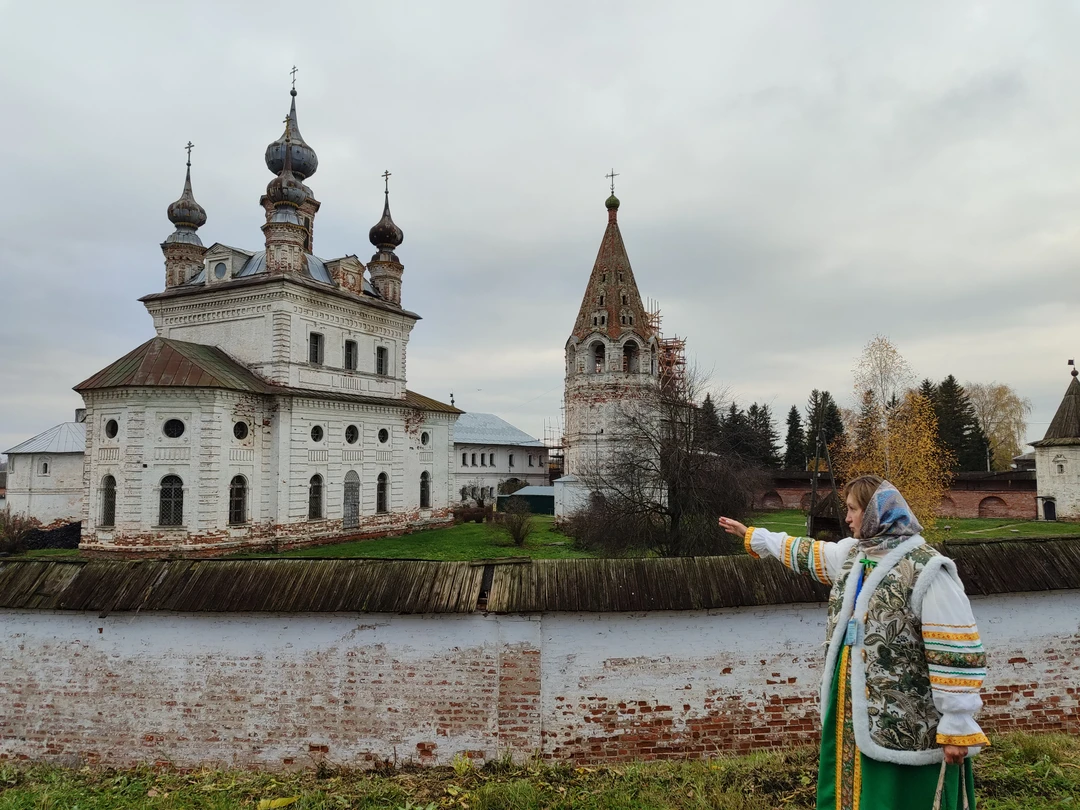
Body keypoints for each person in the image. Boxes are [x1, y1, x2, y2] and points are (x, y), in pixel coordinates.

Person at [719, 475, 988, 810]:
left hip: (907, 717)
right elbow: (807, 553)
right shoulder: (855, 556)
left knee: (900, 796)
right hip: (851, 705)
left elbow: (955, 647)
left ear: (876, 512)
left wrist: (957, 724)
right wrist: (753, 536)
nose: (846, 518)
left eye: (852, 509)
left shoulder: (926, 569)